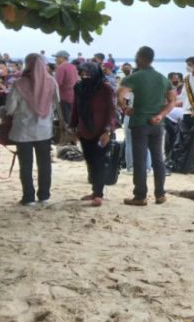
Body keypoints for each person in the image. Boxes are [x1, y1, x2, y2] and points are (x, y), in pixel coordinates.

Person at [117, 46, 176, 206]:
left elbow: (120, 93)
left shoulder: (134, 77)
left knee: (140, 160)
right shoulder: (163, 79)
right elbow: (172, 100)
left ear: (141, 58)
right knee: (158, 159)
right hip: (157, 124)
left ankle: (140, 196)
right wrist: (160, 115)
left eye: (137, 57)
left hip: (139, 123)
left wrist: (124, 108)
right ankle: (160, 194)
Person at [4, 54, 59, 206]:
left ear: (27, 65)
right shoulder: (51, 82)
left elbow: (10, 108)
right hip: (44, 130)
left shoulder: (18, 83)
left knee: (26, 165)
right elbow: (56, 104)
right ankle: (44, 196)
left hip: (23, 131)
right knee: (45, 164)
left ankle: (28, 198)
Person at [70, 63, 117, 207]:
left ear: (95, 73)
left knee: (99, 162)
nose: (85, 76)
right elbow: (76, 107)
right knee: (90, 161)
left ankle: (98, 194)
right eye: (82, 73)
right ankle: (94, 191)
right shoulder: (79, 87)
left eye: (88, 74)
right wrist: (73, 127)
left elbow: (111, 110)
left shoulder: (106, 88)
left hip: (102, 131)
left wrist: (108, 130)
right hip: (84, 130)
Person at [53, 50, 79, 125]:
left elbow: (56, 84)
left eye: (57, 57)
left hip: (64, 97)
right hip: (74, 95)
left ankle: (68, 136)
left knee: (66, 121)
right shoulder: (73, 66)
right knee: (72, 118)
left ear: (62, 58)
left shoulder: (61, 67)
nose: (55, 59)